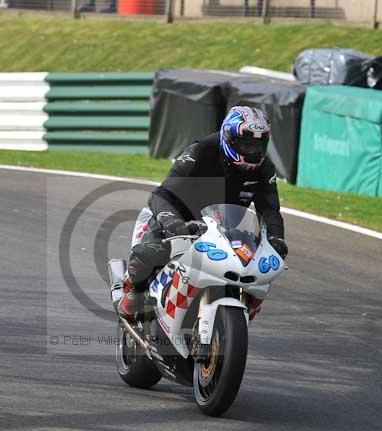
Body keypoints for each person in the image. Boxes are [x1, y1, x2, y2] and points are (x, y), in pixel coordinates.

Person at [118, 106, 288, 321]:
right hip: (181, 219)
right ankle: (133, 290)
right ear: (229, 138)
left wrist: (276, 237)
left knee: (257, 264)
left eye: (257, 144)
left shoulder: (264, 169)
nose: (251, 151)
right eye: (245, 143)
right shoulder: (199, 152)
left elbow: (270, 210)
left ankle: (243, 307)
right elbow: (161, 195)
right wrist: (171, 221)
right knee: (152, 250)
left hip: (225, 228)